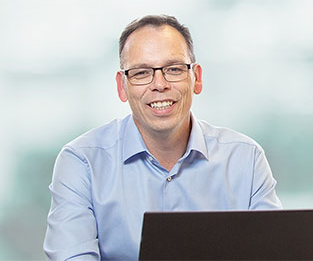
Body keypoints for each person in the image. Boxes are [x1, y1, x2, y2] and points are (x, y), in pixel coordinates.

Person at [43, 14, 282, 260]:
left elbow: (273, 253)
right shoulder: (82, 162)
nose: (159, 84)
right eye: (141, 73)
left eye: (174, 69)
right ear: (122, 86)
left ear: (196, 78)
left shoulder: (244, 158)